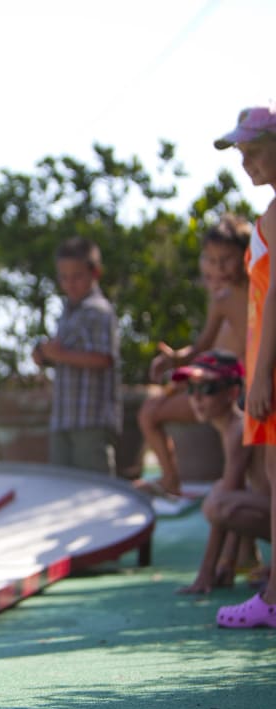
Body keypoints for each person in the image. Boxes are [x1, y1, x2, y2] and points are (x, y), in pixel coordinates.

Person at [212, 105, 276, 627]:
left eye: (252, 149)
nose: (245, 161)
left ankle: (274, 599)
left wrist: (259, 376)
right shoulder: (270, 212)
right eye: (240, 152)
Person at [137, 215, 251, 498]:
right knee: (150, 411)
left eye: (226, 259)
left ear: (246, 256)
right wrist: (175, 360)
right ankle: (170, 480)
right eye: (211, 260)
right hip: (220, 391)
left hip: (245, 395)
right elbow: (202, 347)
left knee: (244, 481)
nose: (218, 267)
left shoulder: (261, 290)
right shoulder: (221, 299)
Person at [171, 351, 269, 595]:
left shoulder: (238, 430)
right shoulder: (230, 429)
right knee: (225, 495)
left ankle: (230, 569)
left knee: (218, 500)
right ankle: (240, 566)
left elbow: (224, 510)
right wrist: (227, 563)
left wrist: (205, 575)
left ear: (233, 393)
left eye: (208, 389)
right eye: (191, 389)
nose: (196, 398)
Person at [32, 236, 121, 474]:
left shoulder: (99, 311)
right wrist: (45, 355)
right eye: (64, 277)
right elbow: (65, 354)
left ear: (95, 274)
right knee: (62, 486)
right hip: (64, 418)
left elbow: (104, 358)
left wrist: (59, 355)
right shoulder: (67, 312)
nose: (70, 283)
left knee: (94, 490)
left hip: (91, 420)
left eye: (77, 276)